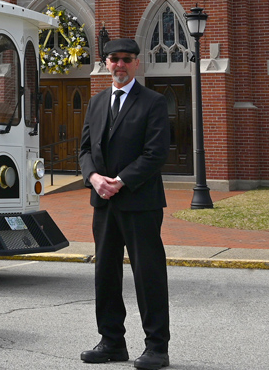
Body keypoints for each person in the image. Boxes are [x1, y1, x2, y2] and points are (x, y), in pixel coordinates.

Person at [78, 39, 171, 370]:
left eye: (126, 59)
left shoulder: (153, 102)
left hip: (140, 202)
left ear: (137, 63)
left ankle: (157, 347)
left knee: (148, 274)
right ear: (105, 63)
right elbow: (85, 149)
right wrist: (94, 178)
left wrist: (122, 180)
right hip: (103, 202)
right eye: (114, 59)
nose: (120, 64)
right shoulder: (97, 102)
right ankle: (111, 342)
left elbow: (156, 153)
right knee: (105, 273)